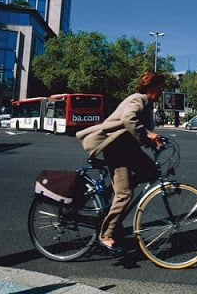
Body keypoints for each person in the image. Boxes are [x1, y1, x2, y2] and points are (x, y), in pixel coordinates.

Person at [76, 70, 165, 256]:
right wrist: (148, 135)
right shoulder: (137, 99)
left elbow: (139, 132)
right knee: (125, 194)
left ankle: (113, 198)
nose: (161, 92)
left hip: (126, 148)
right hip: (115, 147)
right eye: (159, 88)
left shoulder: (147, 105)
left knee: (150, 171)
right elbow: (128, 119)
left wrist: (153, 141)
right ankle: (106, 235)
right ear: (150, 87)